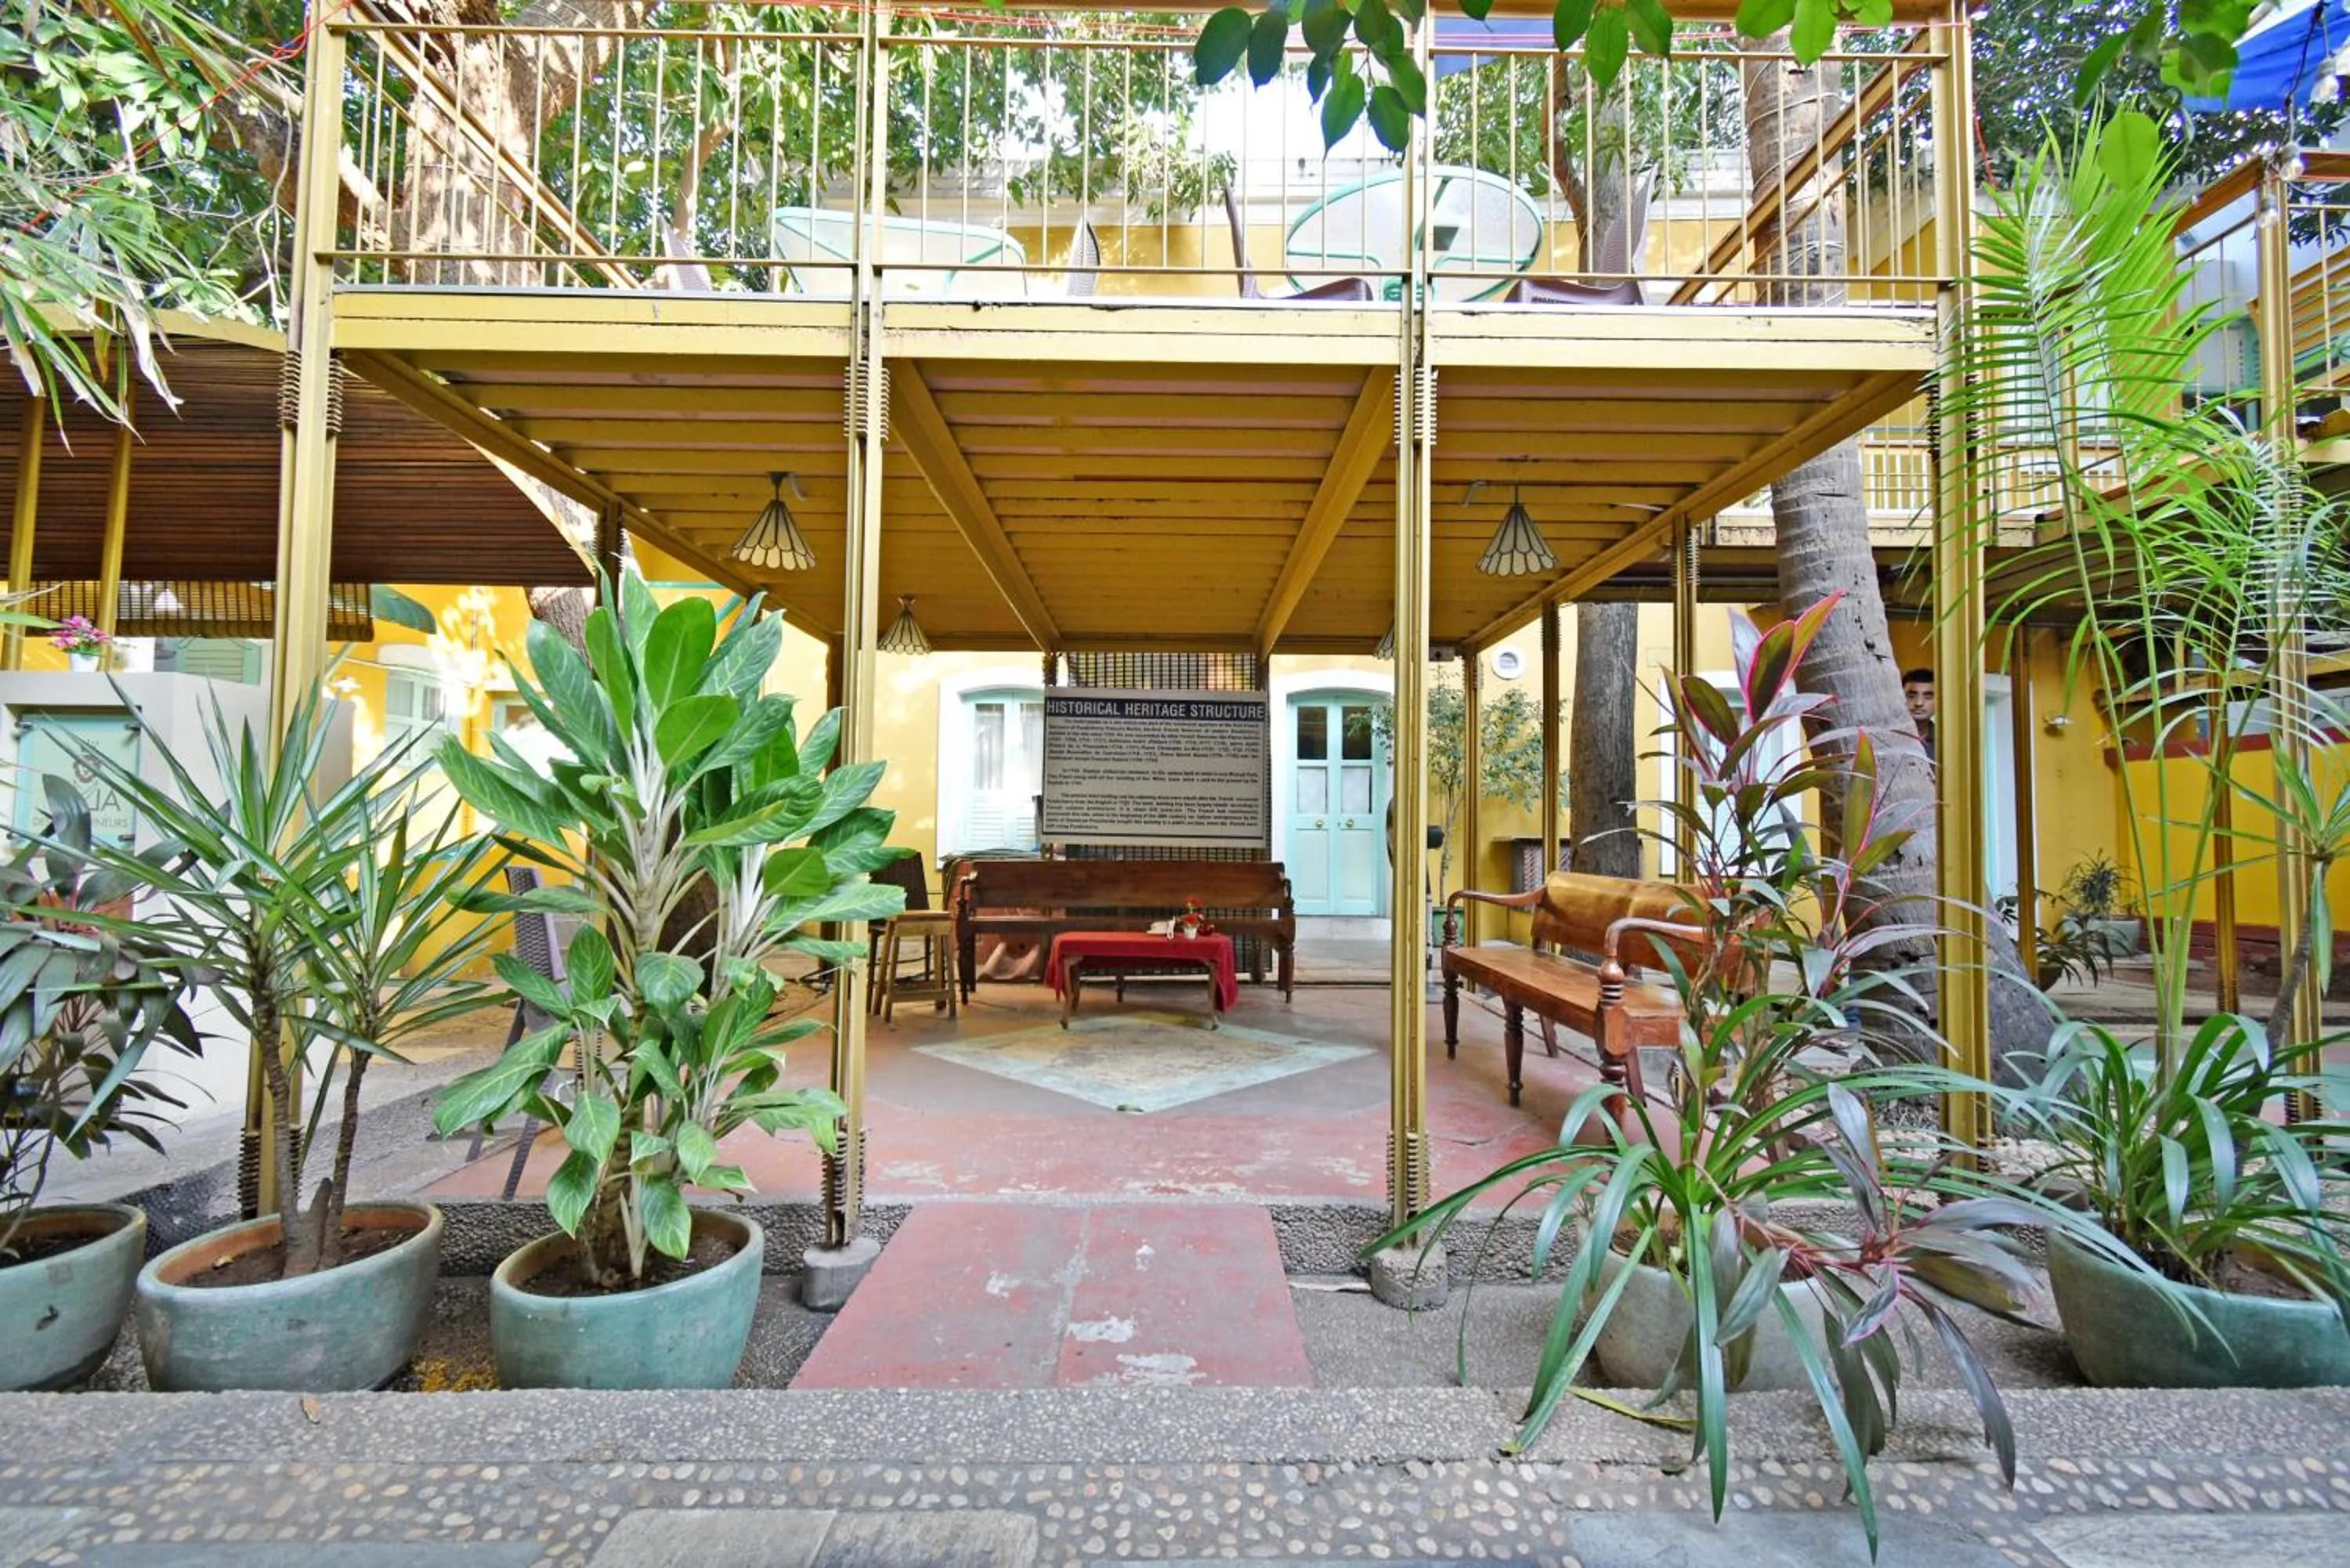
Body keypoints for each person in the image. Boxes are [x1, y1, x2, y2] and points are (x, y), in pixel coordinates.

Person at [1903, 667, 1936, 761]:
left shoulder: (1946, 743)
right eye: (1911, 696)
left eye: (1928, 697)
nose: (1919, 703)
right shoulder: (1885, 739)